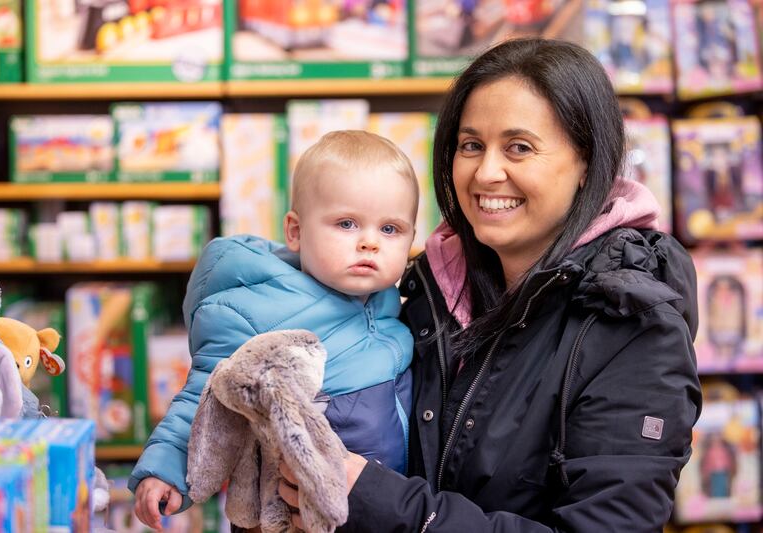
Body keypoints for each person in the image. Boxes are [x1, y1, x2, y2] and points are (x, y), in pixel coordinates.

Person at [279, 38, 701, 532]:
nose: (486, 172)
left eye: (519, 147)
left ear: (586, 162)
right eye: (471, 145)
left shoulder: (632, 326)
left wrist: (378, 500)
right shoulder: (424, 291)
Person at [131, 130, 419, 530]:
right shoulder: (258, 310)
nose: (369, 242)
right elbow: (205, 396)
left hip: (379, 505)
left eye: (390, 229)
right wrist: (166, 467)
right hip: (288, 510)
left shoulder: (389, 301)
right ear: (296, 231)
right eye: (347, 223)